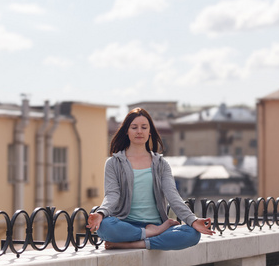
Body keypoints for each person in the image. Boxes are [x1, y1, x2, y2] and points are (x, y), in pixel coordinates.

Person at [86, 107, 215, 250]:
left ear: (150, 132)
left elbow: (173, 196)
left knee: (192, 234)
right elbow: (112, 195)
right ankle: (149, 234)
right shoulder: (113, 163)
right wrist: (100, 213)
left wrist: (193, 220)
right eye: (134, 127)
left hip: (157, 224)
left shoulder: (161, 164)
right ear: (126, 131)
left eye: (144, 127)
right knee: (105, 227)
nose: (139, 131)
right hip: (126, 224)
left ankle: (137, 243)